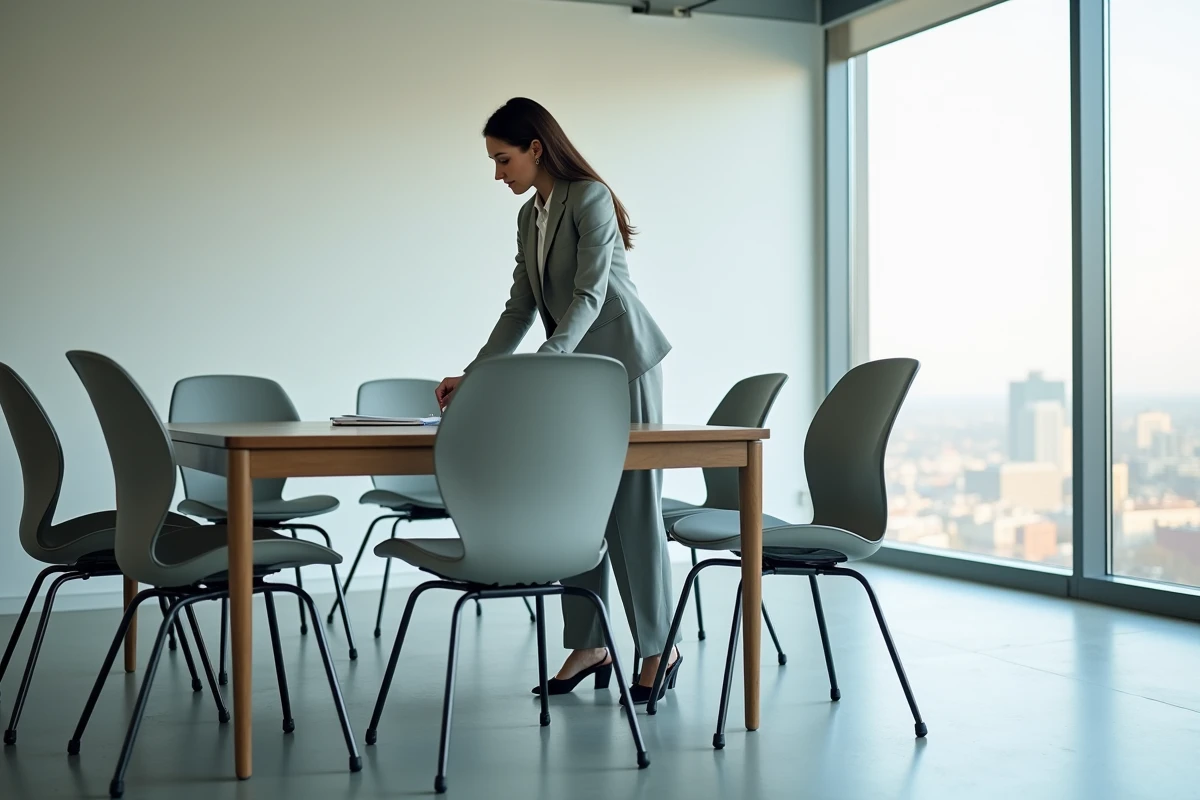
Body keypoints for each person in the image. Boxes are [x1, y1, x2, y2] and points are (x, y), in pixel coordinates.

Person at [435, 97, 680, 703]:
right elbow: (520, 308)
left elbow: (590, 296)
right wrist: (476, 375)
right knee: (579, 506)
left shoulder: (589, 197)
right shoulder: (530, 217)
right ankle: (590, 643)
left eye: (503, 159)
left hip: (623, 368)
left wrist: (547, 365)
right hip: (572, 377)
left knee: (633, 507)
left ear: (536, 148)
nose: (498, 174)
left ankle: (659, 646)